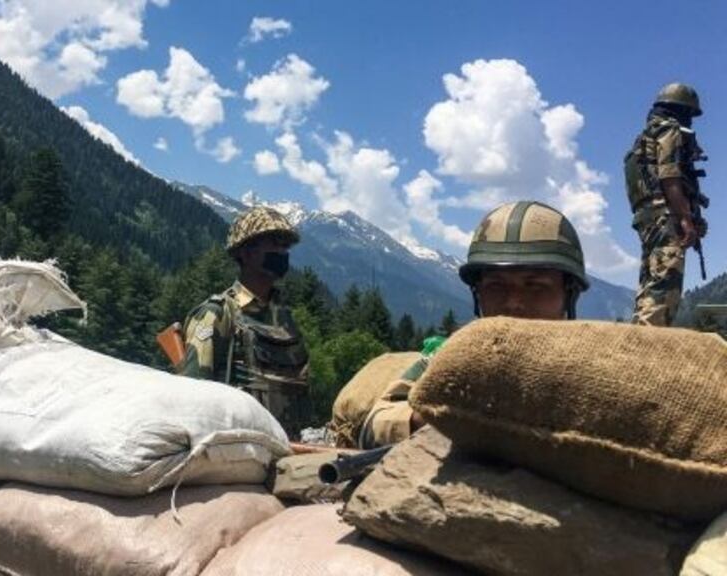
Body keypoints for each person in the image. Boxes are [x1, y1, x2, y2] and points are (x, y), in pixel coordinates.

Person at [357, 200, 589, 448]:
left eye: (535, 286)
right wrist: (427, 419)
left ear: (569, 293)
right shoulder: (451, 357)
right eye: (496, 286)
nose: (514, 303)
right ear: (478, 294)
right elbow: (372, 426)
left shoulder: (597, 367)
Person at [178, 206, 310, 436]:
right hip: (239, 451)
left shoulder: (284, 318)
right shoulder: (217, 314)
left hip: (289, 448)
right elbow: (192, 398)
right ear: (246, 253)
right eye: (273, 243)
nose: (281, 252)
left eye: (285, 246)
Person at [625, 82, 708, 326]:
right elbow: (669, 175)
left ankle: (639, 340)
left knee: (650, 284)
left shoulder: (644, 137)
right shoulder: (669, 130)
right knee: (665, 286)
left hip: (647, 217)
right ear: (682, 110)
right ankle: (649, 346)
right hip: (665, 216)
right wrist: (685, 217)